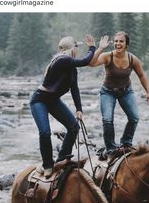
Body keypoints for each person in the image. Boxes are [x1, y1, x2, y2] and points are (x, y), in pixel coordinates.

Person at [30, 35, 107, 178]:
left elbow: (75, 88)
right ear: (71, 49)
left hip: (53, 101)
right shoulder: (62, 60)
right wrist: (92, 47)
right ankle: (47, 165)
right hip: (39, 100)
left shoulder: (70, 66)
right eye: (77, 47)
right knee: (45, 132)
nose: (78, 49)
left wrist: (79, 109)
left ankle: (62, 159)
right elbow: (85, 61)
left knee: (74, 127)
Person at [89, 31, 149, 158]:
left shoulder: (132, 59)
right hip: (108, 92)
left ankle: (126, 143)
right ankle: (111, 149)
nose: (118, 44)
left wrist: (148, 93)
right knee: (107, 119)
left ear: (126, 45)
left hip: (126, 91)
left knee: (134, 117)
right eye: (116, 41)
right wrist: (101, 48)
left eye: (121, 41)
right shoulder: (108, 56)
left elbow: (142, 76)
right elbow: (91, 63)